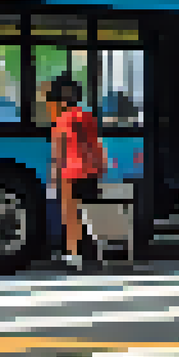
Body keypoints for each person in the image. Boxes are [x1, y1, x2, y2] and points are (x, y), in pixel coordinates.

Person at [48, 75, 104, 268]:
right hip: (91, 172)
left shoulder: (62, 120)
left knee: (71, 215)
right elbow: (96, 144)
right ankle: (92, 252)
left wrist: (54, 178)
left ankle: (73, 254)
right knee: (89, 213)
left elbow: (59, 151)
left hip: (71, 172)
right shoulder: (89, 117)